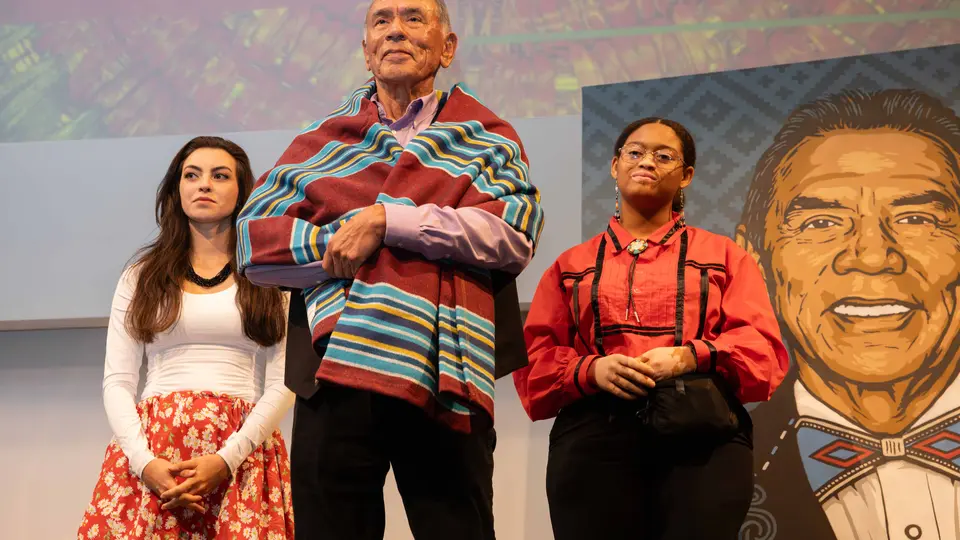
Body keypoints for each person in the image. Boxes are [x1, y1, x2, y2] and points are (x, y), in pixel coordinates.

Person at [235, 1, 543, 539]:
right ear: (365, 49)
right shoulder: (322, 141)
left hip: (443, 368)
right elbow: (253, 243)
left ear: (447, 48)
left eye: (414, 18)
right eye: (382, 21)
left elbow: (511, 233)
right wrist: (340, 242)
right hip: (333, 376)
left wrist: (388, 222)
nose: (395, 30)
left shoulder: (487, 137)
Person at [514, 117, 788, 540]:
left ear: (687, 176)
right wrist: (591, 370)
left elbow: (761, 350)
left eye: (664, 156)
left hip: (701, 438)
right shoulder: (571, 265)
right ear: (614, 165)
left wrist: (688, 357)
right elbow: (535, 362)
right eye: (635, 152)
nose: (647, 162)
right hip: (593, 439)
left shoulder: (723, 256)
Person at [737, 88, 960, 540]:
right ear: (753, 265)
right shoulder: (702, 476)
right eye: (821, 224)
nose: (874, 256)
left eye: (918, 218)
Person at [77, 136, 295, 539]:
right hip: (154, 457)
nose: (204, 185)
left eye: (220, 175)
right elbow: (118, 381)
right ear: (176, 191)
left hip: (240, 456)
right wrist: (145, 463)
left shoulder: (269, 274)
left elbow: (283, 382)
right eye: (191, 175)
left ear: (242, 189)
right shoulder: (142, 275)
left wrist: (227, 459)